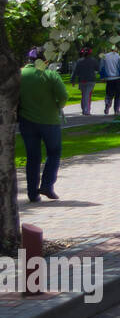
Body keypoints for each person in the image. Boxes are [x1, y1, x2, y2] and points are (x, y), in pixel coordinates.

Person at [18, 47, 67, 202]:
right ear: (45, 59)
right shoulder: (50, 75)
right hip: (49, 121)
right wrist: (58, 105)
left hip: (26, 120)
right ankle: (47, 185)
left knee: (32, 157)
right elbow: (63, 96)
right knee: (53, 152)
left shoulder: (19, 74)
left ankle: (32, 193)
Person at [99, 45, 120, 115]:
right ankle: (116, 110)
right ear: (116, 49)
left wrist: (102, 77)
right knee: (118, 95)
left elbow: (101, 67)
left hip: (109, 79)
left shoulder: (104, 57)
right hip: (118, 78)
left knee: (109, 94)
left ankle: (107, 105)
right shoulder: (119, 57)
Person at [71, 47, 98, 116]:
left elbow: (75, 71)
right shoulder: (93, 60)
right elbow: (98, 68)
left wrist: (73, 80)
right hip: (91, 80)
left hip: (82, 81)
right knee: (87, 95)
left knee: (84, 95)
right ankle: (86, 110)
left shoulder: (79, 61)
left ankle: (84, 109)